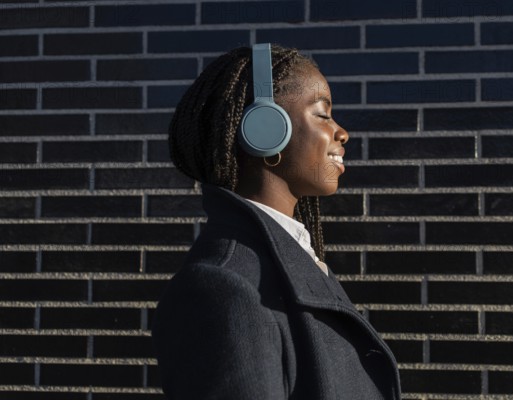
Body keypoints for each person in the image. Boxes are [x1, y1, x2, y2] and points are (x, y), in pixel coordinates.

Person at [152, 43, 401, 400]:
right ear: (265, 130)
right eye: (322, 114)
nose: (341, 132)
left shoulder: (293, 260)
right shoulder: (224, 289)